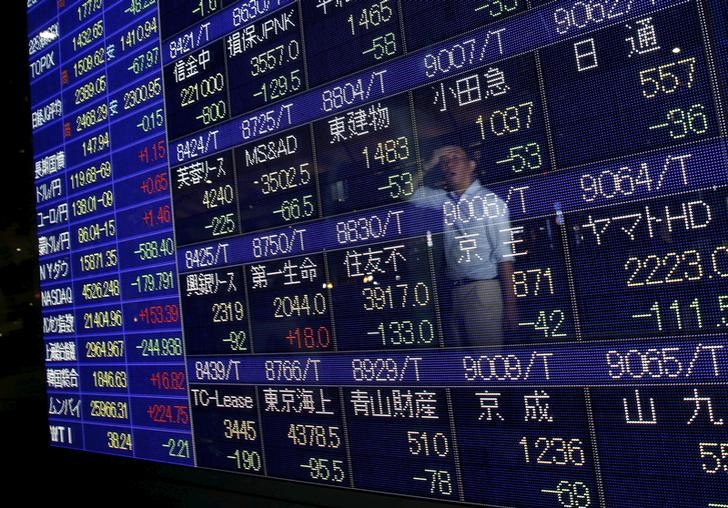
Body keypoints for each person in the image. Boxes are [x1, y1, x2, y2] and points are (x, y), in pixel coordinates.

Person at [412, 145, 517, 347]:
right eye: (445, 161)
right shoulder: (445, 201)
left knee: (485, 366)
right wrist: (429, 163)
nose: (449, 163)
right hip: (455, 293)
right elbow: (407, 192)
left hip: (483, 290)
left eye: (456, 158)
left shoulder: (490, 202)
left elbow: (504, 255)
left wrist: (510, 306)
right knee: (465, 368)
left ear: (471, 166)